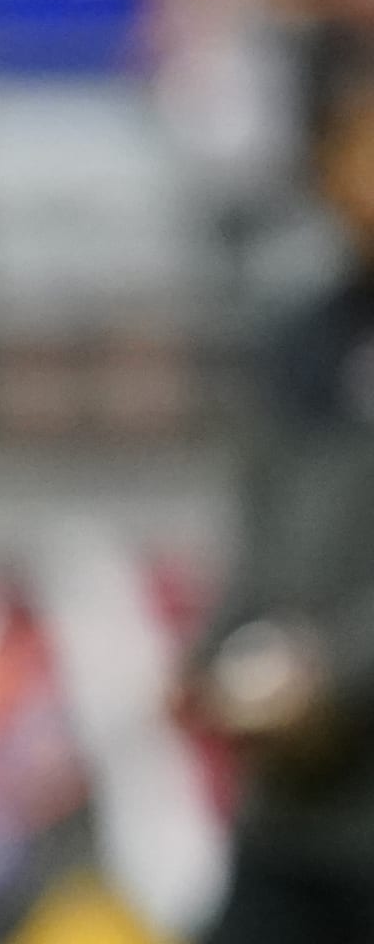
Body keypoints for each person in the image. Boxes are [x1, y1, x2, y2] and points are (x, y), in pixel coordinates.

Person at [184, 48, 374, 944]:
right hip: (297, 811)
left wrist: (333, 675)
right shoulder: (302, 337)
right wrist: (211, 658)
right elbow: (261, 537)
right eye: (355, 145)